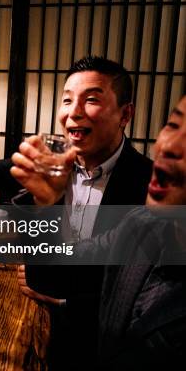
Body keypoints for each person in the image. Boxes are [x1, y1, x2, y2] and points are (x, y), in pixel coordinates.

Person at [0, 56, 153, 368]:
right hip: (26, 318)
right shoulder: (52, 162)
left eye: (92, 100)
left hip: (97, 344)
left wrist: (63, 301)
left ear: (125, 114)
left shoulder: (149, 184)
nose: (73, 112)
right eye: (68, 100)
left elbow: (137, 292)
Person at [10, 94, 186, 368]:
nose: (169, 146)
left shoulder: (138, 179)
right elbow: (52, 273)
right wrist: (45, 205)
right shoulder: (141, 225)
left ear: (125, 116)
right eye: (173, 125)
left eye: (92, 100)